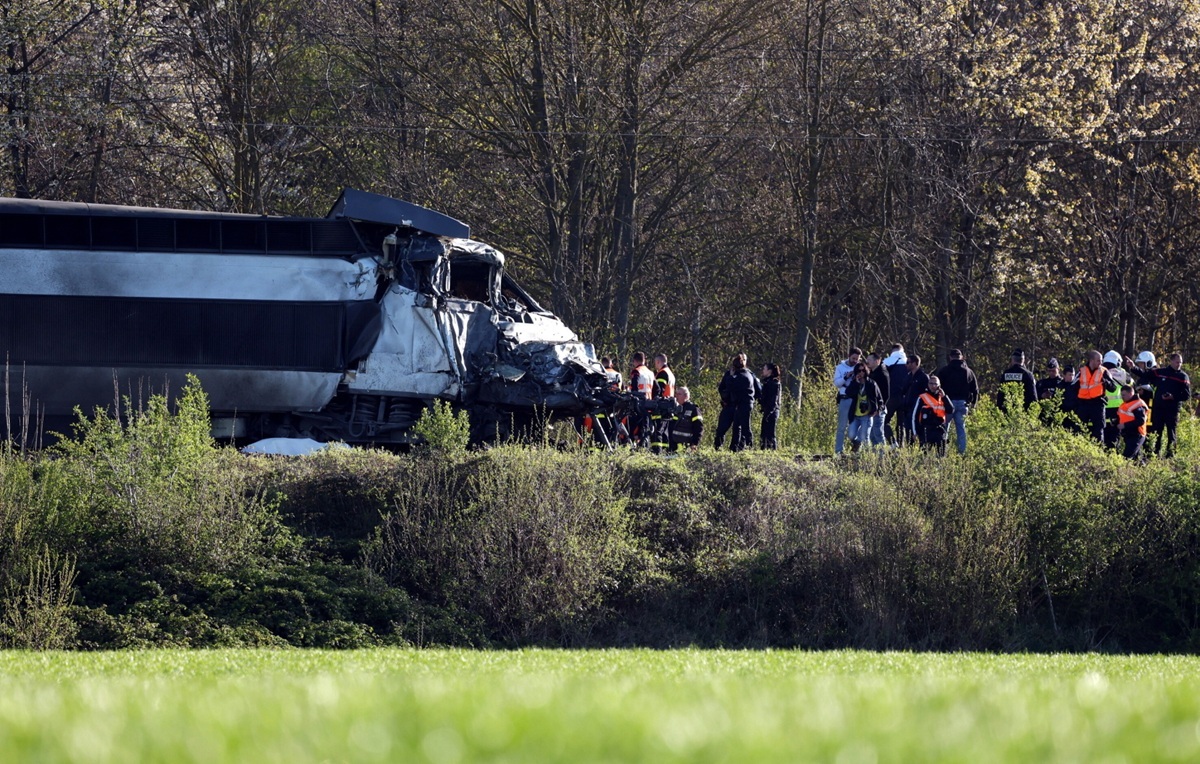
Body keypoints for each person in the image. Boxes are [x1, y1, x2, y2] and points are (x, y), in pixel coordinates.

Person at [1126, 351, 1191, 457]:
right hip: (1159, 408)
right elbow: (1145, 374)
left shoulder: (1183, 377)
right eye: (1176, 362)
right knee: (1157, 432)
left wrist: (1172, 396)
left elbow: (1186, 395)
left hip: (1173, 409)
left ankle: (1171, 455)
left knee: (1172, 433)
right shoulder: (1161, 372)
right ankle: (1155, 454)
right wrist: (1133, 367)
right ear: (1171, 361)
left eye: (1180, 362)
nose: (1178, 364)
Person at [935, 349, 979, 454]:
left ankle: (942, 452)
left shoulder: (944, 371)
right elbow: (975, 389)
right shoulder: (968, 371)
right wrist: (973, 404)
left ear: (950, 357)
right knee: (961, 429)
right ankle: (961, 452)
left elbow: (937, 387)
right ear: (961, 357)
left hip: (947, 404)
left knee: (944, 428)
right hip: (963, 404)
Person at [1071, 350, 1116, 443]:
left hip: (1097, 404)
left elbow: (1113, 388)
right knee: (1079, 428)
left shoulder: (1104, 372)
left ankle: (1098, 452)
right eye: (1098, 360)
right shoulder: (1081, 371)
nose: (1101, 363)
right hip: (1083, 405)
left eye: (1101, 360)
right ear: (1091, 360)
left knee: (1098, 430)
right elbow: (1073, 386)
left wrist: (1106, 382)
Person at [912, 375, 957, 457]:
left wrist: (944, 397)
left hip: (939, 430)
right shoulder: (922, 397)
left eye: (935, 384)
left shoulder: (942, 398)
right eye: (931, 383)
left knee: (941, 457)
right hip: (926, 430)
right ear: (928, 384)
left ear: (939, 386)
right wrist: (915, 432)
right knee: (924, 457)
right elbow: (914, 416)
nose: (933, 386)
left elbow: (951, 410)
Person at [844, 362, 883, 452]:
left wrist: (878, 410)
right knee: (851, 435)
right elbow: (848, 393)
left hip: (867, 415)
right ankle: (857, 444)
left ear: (866, 371)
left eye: (863, 370)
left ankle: (866, 456)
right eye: (858, 371)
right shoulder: (854, 383)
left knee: (864, 437)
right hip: (855, 414)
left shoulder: (871, 383)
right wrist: (856, 383)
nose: (861, 373)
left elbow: (879, 398)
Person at [833, 347, 862, 454]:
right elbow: (837, 384)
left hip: (857, 399)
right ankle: (839, 451)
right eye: (853, 358)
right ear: (849, 356)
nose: (855, 361)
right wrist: (846, 377)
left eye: (857, 359)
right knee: (842, 426)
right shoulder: (840, 367)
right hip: (845, 398)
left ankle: (856, 447)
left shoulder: (859, 367)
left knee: (857, 424)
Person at [727, 354, 758, 451]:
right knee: (737, 426)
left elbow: (731, 387)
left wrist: (731, 376)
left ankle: (749, 446)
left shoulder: (741, 376)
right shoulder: (747, 374)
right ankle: (735, 447)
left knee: (745, 426)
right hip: (744, 403)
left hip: (743, 404)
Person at [714, 353, 746, 450]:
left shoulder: (746, 375)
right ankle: (718, 448)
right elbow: (721, 388)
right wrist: (725, 399)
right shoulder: (728, 374)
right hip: (728, 406)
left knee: (738, 430)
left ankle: (735, 449)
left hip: (739, 406)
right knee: (721, 429)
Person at [1102, 350, 1131, 448]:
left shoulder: (1100, 371)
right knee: (1115, 436)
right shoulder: (1123, 373)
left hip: (1103, 407)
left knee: (1103, 434)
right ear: (1118, 362)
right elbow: (1131, 385)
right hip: (1119, 409)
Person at [883, 344, 910, 446]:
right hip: (906, 397)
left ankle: (892, 443)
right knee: (901, 424)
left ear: (892, 351)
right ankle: (901, 446)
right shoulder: (909, 362)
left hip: (891, 397)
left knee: (883, 422)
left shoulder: (887, 362)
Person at [900, 354, 929, 446]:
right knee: (908, 431)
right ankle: (909, 450)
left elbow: (926, 394)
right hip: (907, 408)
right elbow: (903, 390)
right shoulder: (908, 376)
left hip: (918, 409)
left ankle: (922, 449)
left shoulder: (923, 377)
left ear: (915, 363)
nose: (906, 364)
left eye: (908, 362)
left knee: (918, 431)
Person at [649, 353, 676, 453]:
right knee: (664, 433)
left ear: (658, 362)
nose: (655, 365)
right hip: (669, 406)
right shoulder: (670, 373)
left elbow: (659, 390)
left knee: (657, 432)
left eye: (655, 363)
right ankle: (665, 452)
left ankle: (657, 453)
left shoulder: (662, 373)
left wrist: (654, 401)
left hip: (661, 406)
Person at [1115, 385, 1149, 460]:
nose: (1122, 397)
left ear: (1130, 393)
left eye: (1124, 395)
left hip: (1137, 434)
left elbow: (1141, 421)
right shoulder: (1125, 404)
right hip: (1128, 434)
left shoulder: (1138, 404)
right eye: (1121, 395)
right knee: (1136, 459)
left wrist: (1125, 425)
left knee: (1126, 457)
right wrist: (1115, 422)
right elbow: (1123, 417)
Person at [628, 352, 655, 447]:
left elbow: (634, 388)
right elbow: (657, 389)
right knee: (644, 428)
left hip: (637, 404)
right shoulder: (650, 373)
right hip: (648, 404)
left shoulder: (636, 371)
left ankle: (631, 445)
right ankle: (644, 446)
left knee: (632, 426)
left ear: (635, 361)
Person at [668, 386, 704, 452]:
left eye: (679, 394)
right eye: (676, 394)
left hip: (687, 447)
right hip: (674, 448)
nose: (676, 396)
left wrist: (695, 444)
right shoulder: (676, 409)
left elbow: (699, 427)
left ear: (686, 396)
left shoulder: (693, 409)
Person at [865, 352, 890, 446]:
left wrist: (880, 407)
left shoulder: (883, 374)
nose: (867, 362)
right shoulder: (871, 373)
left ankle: (882, 456)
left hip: (879, 409)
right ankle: (876, 455)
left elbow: (886, 394)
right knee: (872, 434)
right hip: (872, 407)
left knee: (878, 433)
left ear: (877, 361)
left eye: (870, 360)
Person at [759, 363, 782, 450]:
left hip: (772, 411)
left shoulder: (774, 383)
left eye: (764, 369)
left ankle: (772, 451)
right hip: (768, 410)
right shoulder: (768, 382)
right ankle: (764, 449)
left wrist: (769, 412)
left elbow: (773, 400)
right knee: (764, 433)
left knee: (770, 433)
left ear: (769, 371)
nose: (763, 371)